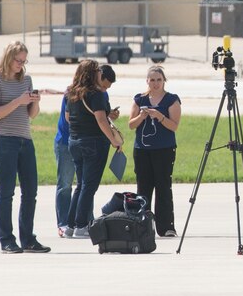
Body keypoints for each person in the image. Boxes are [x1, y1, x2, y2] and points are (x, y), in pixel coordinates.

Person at [0, 41, 47, 253]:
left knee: (30, 192)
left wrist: (34, 102)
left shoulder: (26, 80)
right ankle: (7, 240)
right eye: (18, 60)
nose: (21, 64)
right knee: (7, 192)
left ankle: (28, 239)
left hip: (25, 140)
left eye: (24, 61)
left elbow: (31, 114)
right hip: (5, 141)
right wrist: (18, 101)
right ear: (8, 58)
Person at [66, 60, 124, 238]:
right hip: (93, 143)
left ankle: (70, 225)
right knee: (89, 186)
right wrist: (113, 140)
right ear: (93, 73)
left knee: (81, 184)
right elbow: (101, 120)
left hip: (74, 140)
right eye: (98, 70)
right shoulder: (96, 94)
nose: (100, 72)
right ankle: (81, 226)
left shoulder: (72, 93)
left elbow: (68, 117)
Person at [128, 64, 183, 237]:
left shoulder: (171, 100)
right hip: (142, 149)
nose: (155, 83)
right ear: (147, 81)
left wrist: (160, 116)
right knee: (143, 187)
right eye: (152, 80)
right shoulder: (139, 99)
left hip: (164, 149)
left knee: (163, 186)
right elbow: (131, 125)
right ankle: (142, 225)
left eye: (159, 80)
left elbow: (174, 126)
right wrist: (142, 116)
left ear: (164, 81)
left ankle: (166, 226)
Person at [53, 93, 76, 238]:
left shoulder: (101, 93)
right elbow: (69, 119)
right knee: (65, 184)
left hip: (85, 142)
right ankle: (63, 222)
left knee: (85, 185)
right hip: (65, 142)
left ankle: (84, 220)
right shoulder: (72, 94)